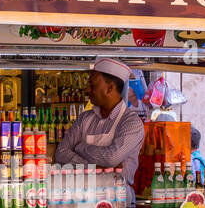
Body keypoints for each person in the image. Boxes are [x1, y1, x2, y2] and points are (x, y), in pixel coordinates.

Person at [54, 58, 146, 199]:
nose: (87, 89)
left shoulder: (131, 122)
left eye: (92, 84)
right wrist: (93, 168)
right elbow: (60, 153)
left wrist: (80, 147)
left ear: (110, 88)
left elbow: (111, 158)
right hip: (83, 198)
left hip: (117, 198)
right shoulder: (85, 119)